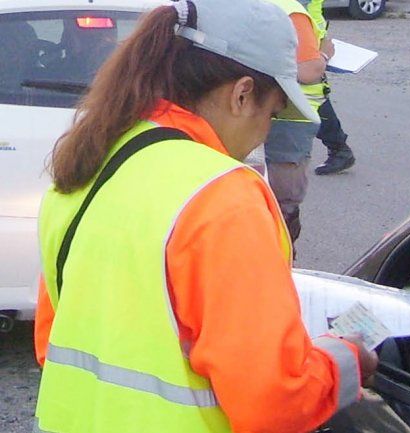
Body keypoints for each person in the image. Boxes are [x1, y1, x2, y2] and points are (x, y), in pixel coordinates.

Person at [33, 1, 378, 432]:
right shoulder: (222, 195)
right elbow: (275, 403)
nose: (265, 132)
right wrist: (345, 358)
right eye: (272, 114)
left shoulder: (88, 166)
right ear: (242, 93)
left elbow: (51, 344)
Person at [262, 0, 333, 245]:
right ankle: (282, 255)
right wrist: (325, 53)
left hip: (267, 110)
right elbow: (309, 71)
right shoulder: (290, 9)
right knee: (285, 201)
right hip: (292, 114)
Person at [301, 0, 357, 176]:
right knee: (311, 96)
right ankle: (339, 149)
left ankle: (339, 149)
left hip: (305, 35)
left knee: (312, 97)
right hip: (308, 33)